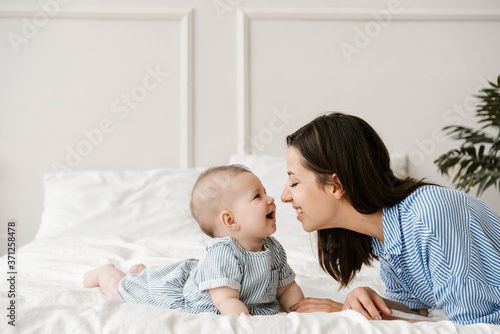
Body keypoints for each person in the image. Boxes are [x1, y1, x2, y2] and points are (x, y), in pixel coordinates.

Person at [281, 112, 500, 325]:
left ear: (335, 186)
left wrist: (345, 313)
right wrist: (372, 304)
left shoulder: (429, 216)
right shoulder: (384, 235)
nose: (284, 196)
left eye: (294, 182)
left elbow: (475, 327)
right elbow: (418, 310)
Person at [83, 165, 304, 316]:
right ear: (230, 220)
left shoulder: (273, 248)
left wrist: (299, 309)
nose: (271, 199)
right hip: (188, 297)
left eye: (265, 192)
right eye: (258, 196)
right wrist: (245, 323)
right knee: (127, 291)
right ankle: (107, 273)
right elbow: (226, 301)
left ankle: (142, 272)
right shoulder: (223, 253)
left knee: (150, 277)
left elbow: (286, 289)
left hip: (202, 278)